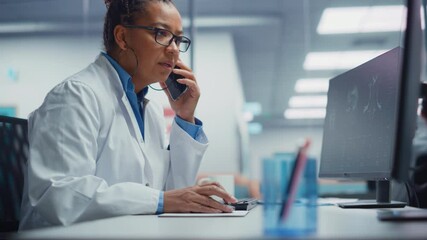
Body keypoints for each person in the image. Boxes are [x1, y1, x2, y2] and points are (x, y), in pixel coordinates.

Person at [19, 0, 236, 230]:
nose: (173, 48)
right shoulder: (76, 95)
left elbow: (171, 196)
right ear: (122, 37)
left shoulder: (149, 111)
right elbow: (60, 196)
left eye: (178, 38)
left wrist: (185, 116)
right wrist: (161, 200)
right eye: (161, 33)